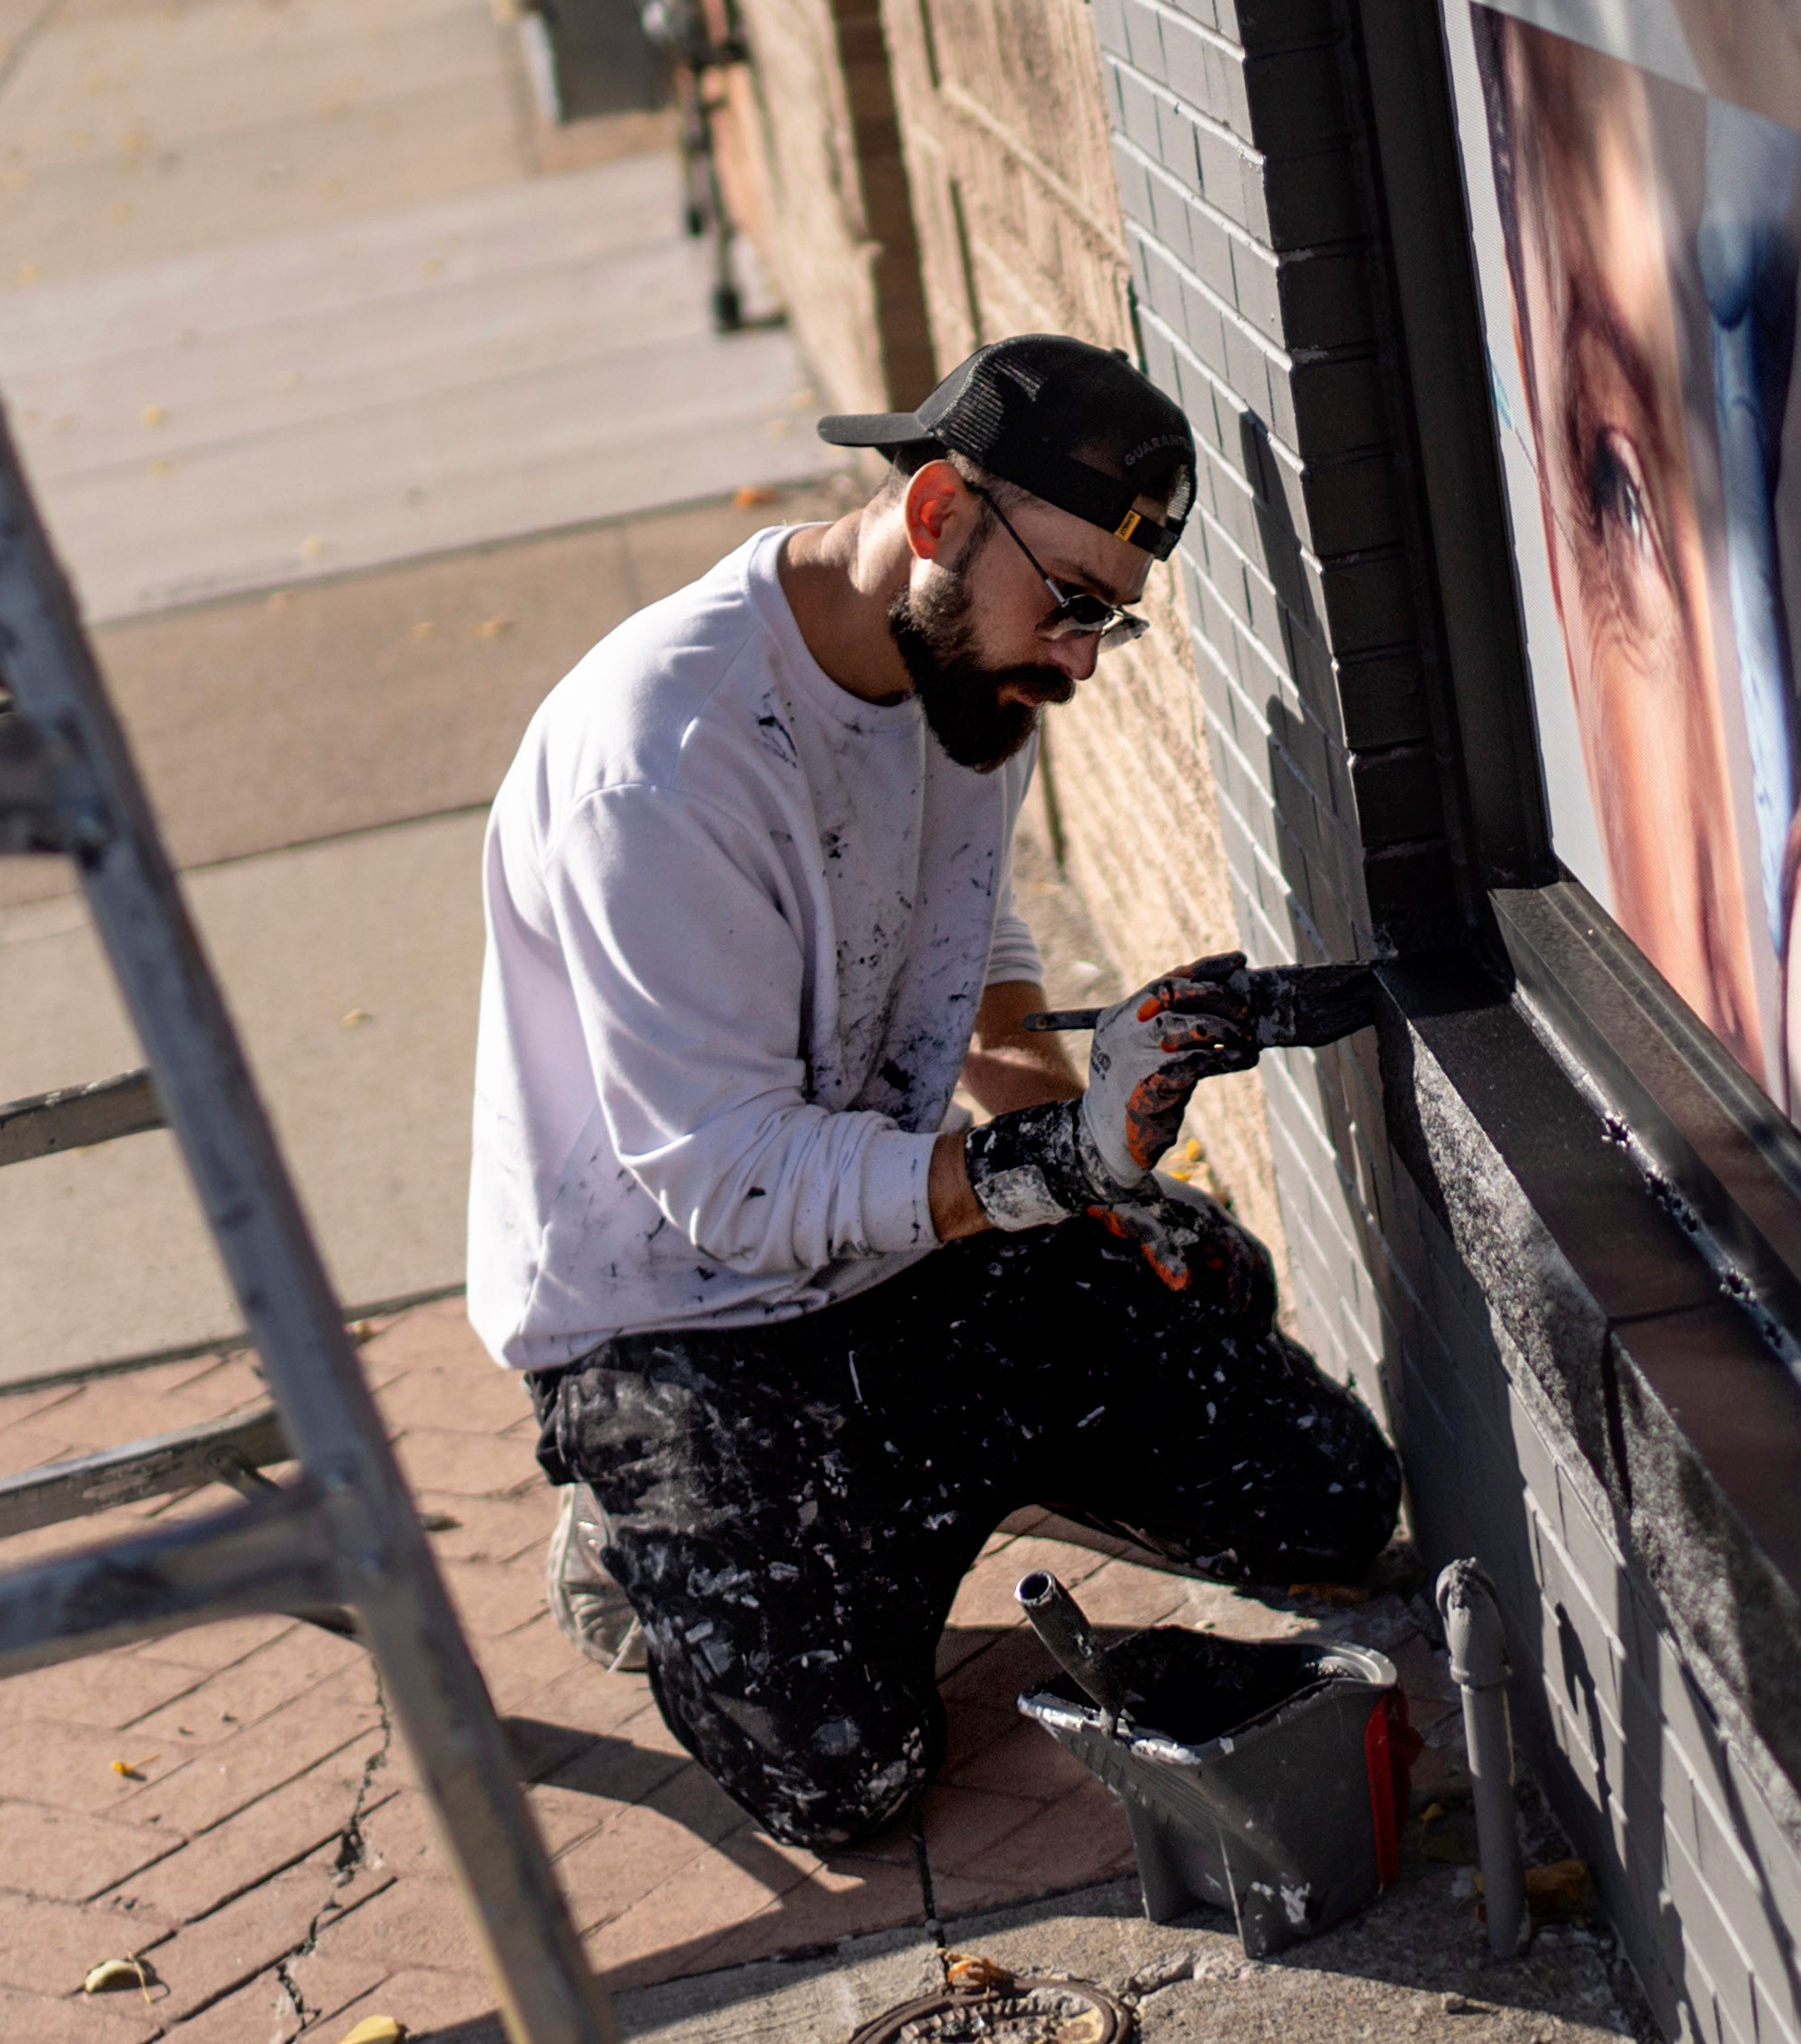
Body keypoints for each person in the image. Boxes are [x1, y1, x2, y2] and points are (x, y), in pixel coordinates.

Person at [467, 335, 1403, 1848]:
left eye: (1114, 623)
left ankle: (938, 1480)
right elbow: (728, 1184)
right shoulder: (663, 768)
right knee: (852, 1779)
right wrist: (1047, 1165)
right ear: (934, 518)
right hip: (681, 1328)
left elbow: (970, 926)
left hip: (894, 1263)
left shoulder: (968, 675)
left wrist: (1092, 1156)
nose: (1083, 659)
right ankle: (639, 1522)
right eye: (1076, 606)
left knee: (1326, 1498)